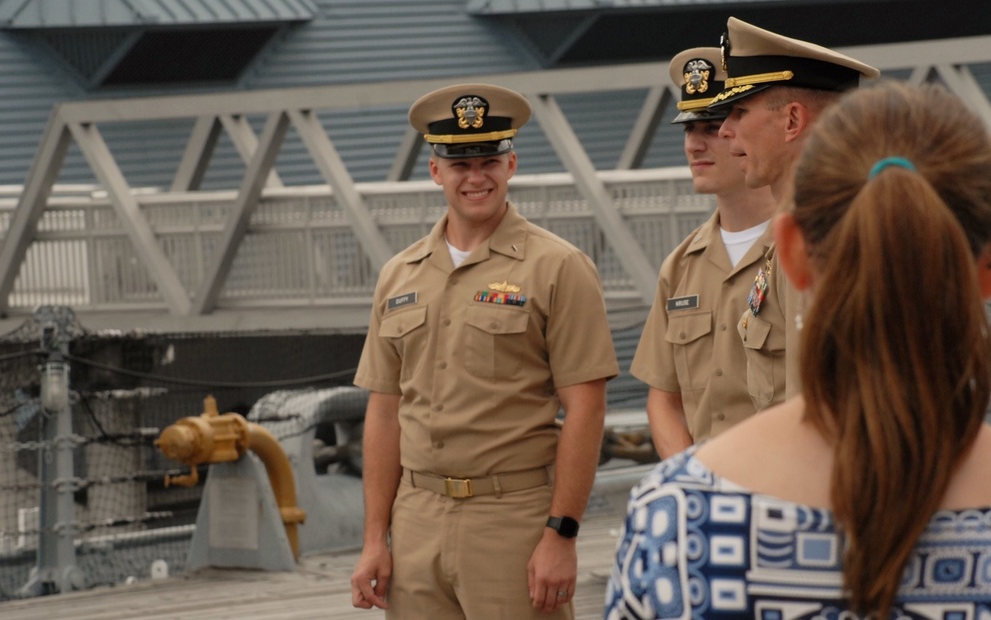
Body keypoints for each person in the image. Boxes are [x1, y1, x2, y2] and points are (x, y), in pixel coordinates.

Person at [606, 80, 991, 618]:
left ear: (789, 251)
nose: (714, 136)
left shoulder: (673, 519)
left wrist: (695, 482)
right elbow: (663, 394)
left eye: (730, 117)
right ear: (986, 266)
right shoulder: (683, 264)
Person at [349, 83, 620, 619]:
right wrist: (374, 539)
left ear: (511, 163)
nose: (476, 177)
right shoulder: (398, 274)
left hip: (512, 520)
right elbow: (383, 412)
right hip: (417, 520)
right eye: (460, 164)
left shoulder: (557, 267)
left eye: (489, 160)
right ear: (435, 172)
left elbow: (585, 407)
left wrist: (561, 534)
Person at [710, 17, 879, 401]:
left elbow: (816, 413)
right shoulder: (821, 221)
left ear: (792, 121)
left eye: (739, 113)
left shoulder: (821, 234)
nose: (724, 131)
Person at [630, 47, 778, 458]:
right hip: (709, 502)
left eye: (712, 128)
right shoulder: (679, 267)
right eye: (688, 130)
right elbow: (664, 399)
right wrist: (692, 483)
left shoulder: (809, 248)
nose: (695, 145)